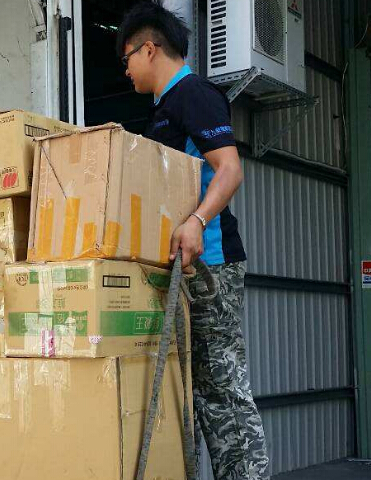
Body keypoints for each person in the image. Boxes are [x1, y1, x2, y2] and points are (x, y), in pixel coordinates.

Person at [117, 3, 269, 480]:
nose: (125, 70)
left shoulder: (194, 94)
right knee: (200, 389)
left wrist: (198, 221)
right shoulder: (163, 110)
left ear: (149, 48)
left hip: (211, 264)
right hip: (183, 268)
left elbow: (229, 169)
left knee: (222, 388)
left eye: (127, 58)